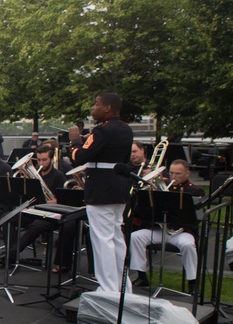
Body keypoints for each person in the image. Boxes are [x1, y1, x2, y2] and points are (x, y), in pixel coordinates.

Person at [69, 92, 133, 293]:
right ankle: (123, 286)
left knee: (102, 240)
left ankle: (108, 288)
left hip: (102, 189)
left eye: (96, 104)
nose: (92, 108)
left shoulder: (102, 131)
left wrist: (75, 142)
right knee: (116, 237)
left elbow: (81, 156)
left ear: (107, 108)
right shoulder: (125, 129)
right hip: (119, 187)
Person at [129, 159, 204, 295]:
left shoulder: (194, 191)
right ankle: (141, 276)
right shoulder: (161, 187)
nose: (173, 177)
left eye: (178, 174)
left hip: (181, 232)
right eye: (171, 173)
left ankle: (192, 281)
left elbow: (193, 217)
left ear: (187, 174)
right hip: (159, 229)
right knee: (135, 237)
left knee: (188, 245)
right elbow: (142, 212)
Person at [2, 145, 67, 265]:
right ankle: (12, 254)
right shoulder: (34, 173)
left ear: (51, 160)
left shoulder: (58, 176)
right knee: (7, 217)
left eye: (44, 160)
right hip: (33, 210)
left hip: (49, 213)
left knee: (36, 226)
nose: (41, 163)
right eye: (39, 160)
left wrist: (46, 201)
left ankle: (10, 255)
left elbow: (61, 200)